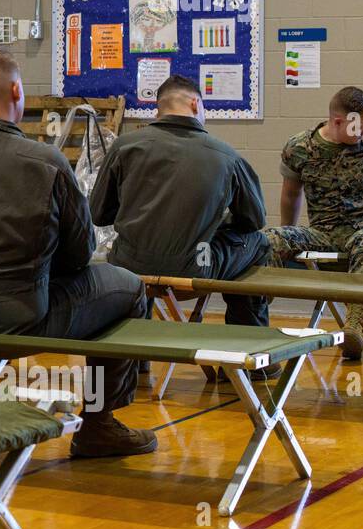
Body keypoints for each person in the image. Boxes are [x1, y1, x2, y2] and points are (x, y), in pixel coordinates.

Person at [0, 45, 155, 458]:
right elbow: (79, 256)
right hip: (18, 322)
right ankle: (99, 425)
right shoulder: (47, 161)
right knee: (128, 288)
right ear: (17, 91)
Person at [90, 75, 273, 378]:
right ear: (195, 103)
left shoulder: (124, 146)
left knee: (141, 245)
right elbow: (253, 220)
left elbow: (99, 214)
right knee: (257, 243)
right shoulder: (226, 155)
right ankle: (249, 354)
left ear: (157, 108)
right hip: (195, 267)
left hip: (128, 268)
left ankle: (137, 359)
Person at [265, 86, 363, 359]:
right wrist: (288, 235)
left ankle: (355, 324)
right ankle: (257, 315)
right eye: (358, 127)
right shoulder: (300, 148)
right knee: (269, 239)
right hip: (325, 230)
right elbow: (291, 195)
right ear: (338, 121)